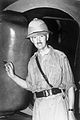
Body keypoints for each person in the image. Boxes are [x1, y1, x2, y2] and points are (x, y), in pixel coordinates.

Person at [5, 18, 76, 120]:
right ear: (32, 40)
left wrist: (70, 112)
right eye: (34, 37)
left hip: (58, 104)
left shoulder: (60, 56)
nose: (38, 40)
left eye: (41, 36)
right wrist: (13, 76)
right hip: (39, 106)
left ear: (47, 37)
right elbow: (30, 86)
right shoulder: (32, 62)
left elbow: (70, 86)